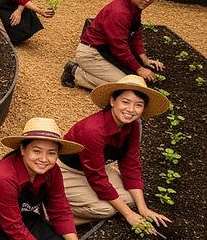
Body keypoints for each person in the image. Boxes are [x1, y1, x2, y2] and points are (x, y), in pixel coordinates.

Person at [59, 75, 171, 230]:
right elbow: (97, 179)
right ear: (113, 101)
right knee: (107, 209)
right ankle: (52, 214)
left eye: (138, 105)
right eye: (125, 102)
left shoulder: (133, 126)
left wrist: (142, 209)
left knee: (131, 200)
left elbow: (130, 165)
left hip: (97, 168)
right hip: (68, 170)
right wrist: (128, 214)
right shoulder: (92, 131)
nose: (131, 110)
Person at [62, 0, 169, 90]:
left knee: (132, 80)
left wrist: (144, 59)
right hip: (92, 54)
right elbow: (119, 47)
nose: (148, 0)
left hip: (107, 51)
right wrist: (140, 69)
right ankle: (75, 72)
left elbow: (135, 34)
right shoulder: (120, 12)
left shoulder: (134, 6)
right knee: (127, 86)